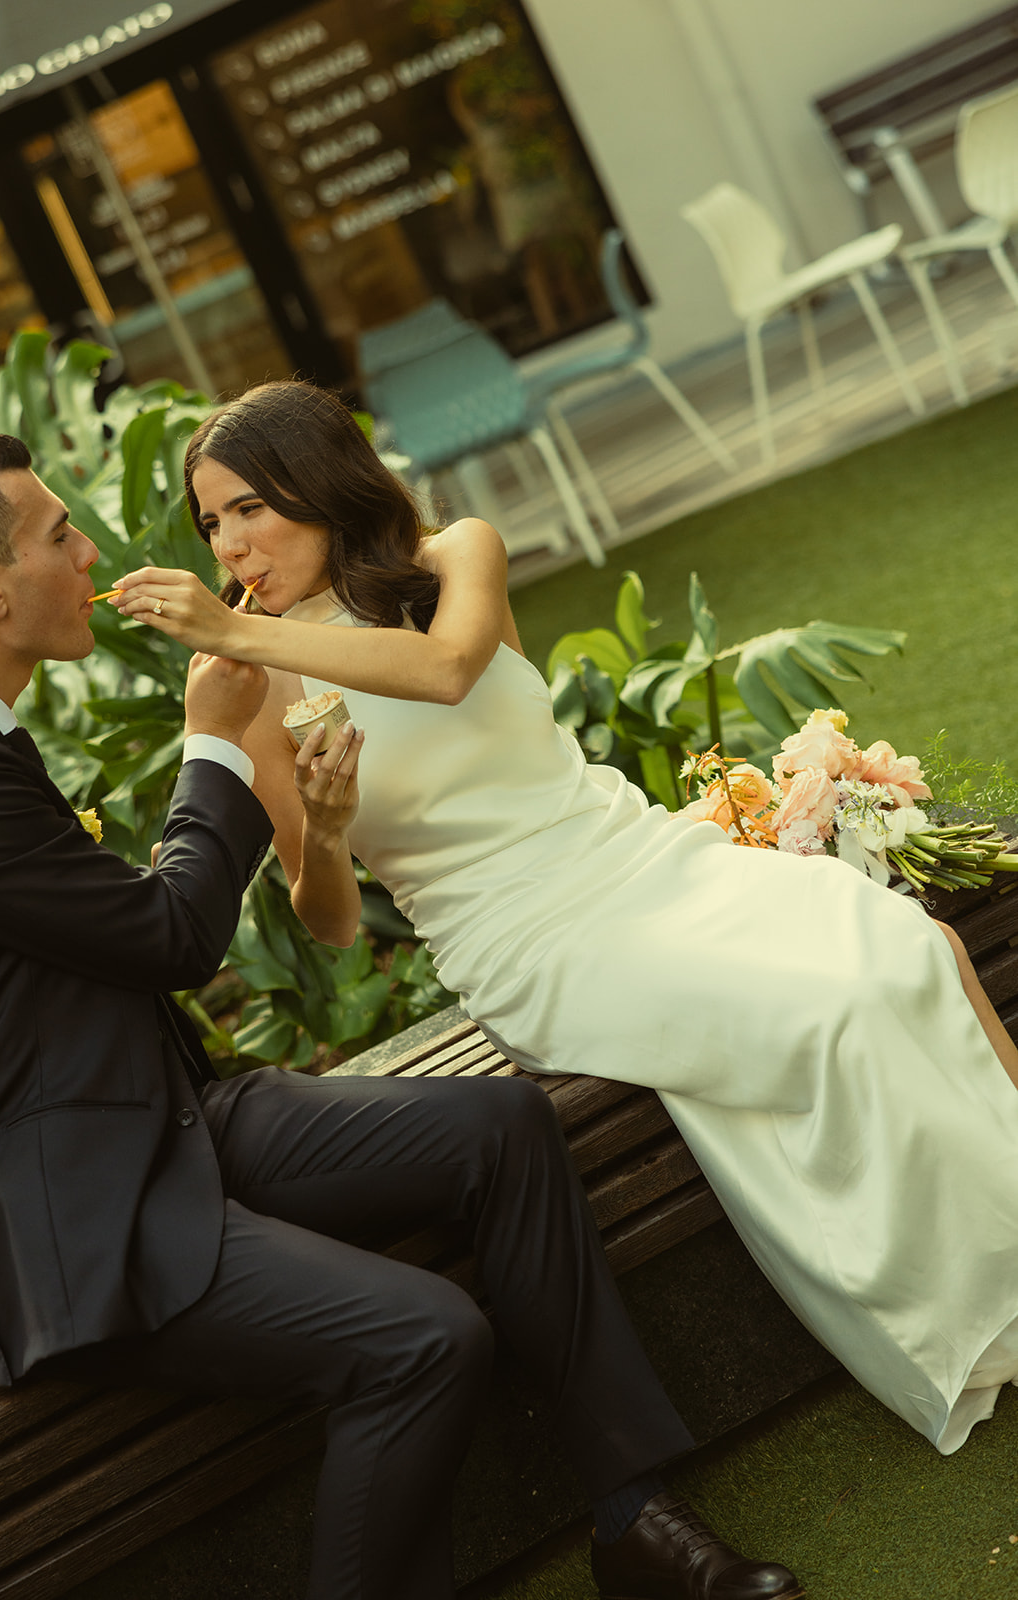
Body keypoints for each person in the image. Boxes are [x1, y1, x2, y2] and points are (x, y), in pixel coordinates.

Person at [0, 433, 802, 1600]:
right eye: (58, 537)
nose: (89, 549)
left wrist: (292, 804)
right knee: (425, 1339)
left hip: (157, 1124)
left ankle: (636, 1521)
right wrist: (212, 746)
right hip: (71, 1222)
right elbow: (169, 939)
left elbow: (110, 939)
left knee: (506, 1133)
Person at [111, 378, 1018, 1465]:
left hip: (633, 853)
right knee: (831, 1011)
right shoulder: (242, 687)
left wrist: (239, 632)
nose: (232, 542)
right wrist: (332, 825)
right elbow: (331, 920)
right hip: (531, 941)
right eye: (212, 522)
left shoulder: (456, 558)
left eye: (249, 506)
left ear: (317, 484)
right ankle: (975, 1310)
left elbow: (448, 671)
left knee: (909, 945)